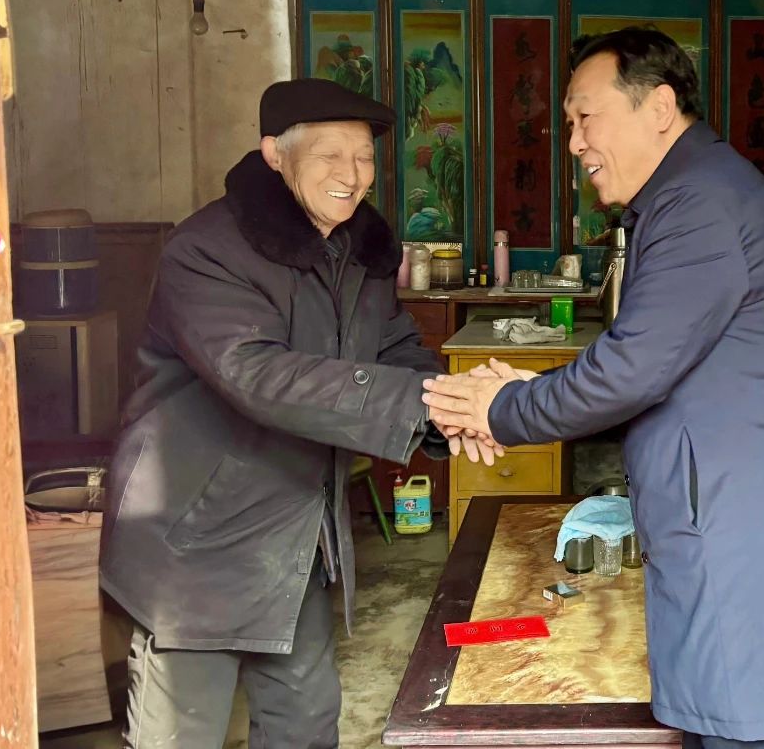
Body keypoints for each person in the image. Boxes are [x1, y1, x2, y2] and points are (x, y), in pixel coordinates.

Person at [423, 29, 764, 749]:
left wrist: (500, 409)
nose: (575, 141)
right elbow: (652, 369)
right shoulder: (690, 195)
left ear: (659, 107)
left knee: (755, 730)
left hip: (752, 557)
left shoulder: (700, 205)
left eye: (585, 117)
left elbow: (632, 370)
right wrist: (524, 395)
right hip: (734, 537)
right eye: (569, 123)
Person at [98, 79, 494, 748]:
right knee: (180, 737)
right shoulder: (208, 250)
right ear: (275, 155)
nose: (352, 175)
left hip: (297, 542)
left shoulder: (359, 253)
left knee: (306, 726)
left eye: (363, 156)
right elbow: (256, 374)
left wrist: (448, 406)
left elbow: (393, 347)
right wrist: (423, 402)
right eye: (330, 155)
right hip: (195, 543)